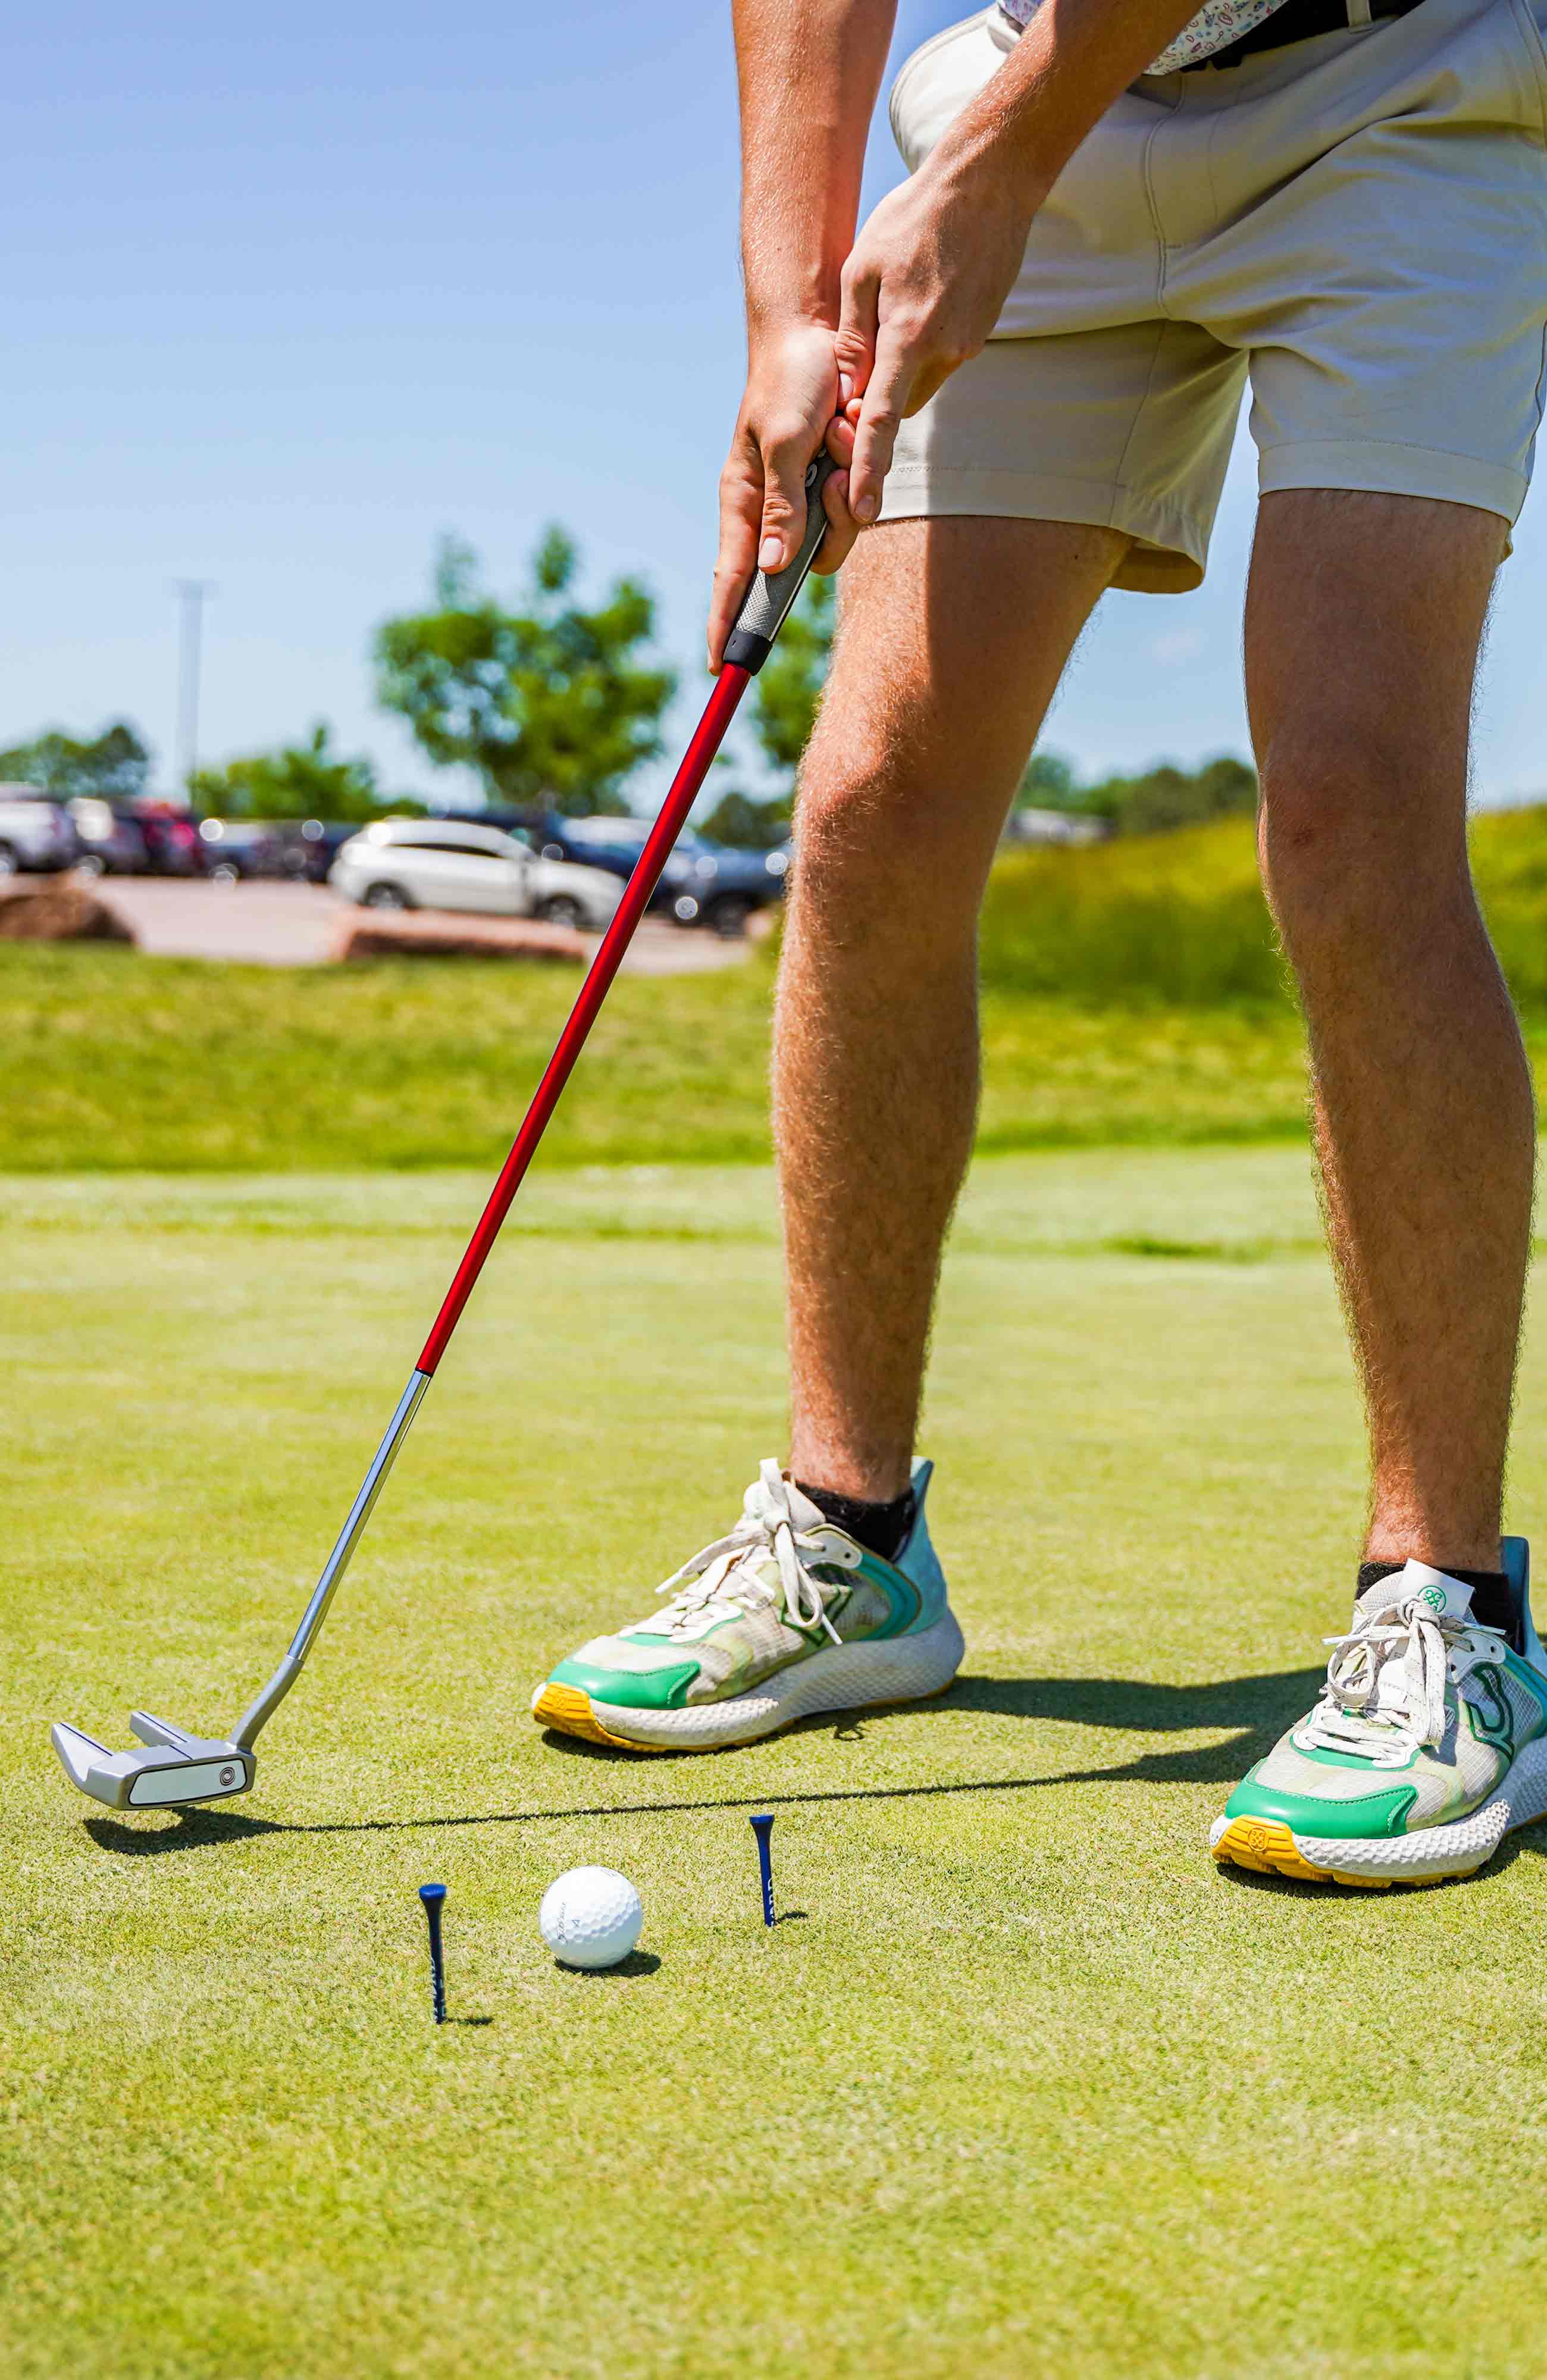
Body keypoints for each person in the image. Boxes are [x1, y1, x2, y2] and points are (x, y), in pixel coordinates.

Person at [533, 0, 1547, 1885]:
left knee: (1348, 804)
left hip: (1406, 78)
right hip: (1040, 99)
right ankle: (851, 1539)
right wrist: (788, 313)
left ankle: (1449, 1608)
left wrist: (994, 168)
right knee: (868, 808)